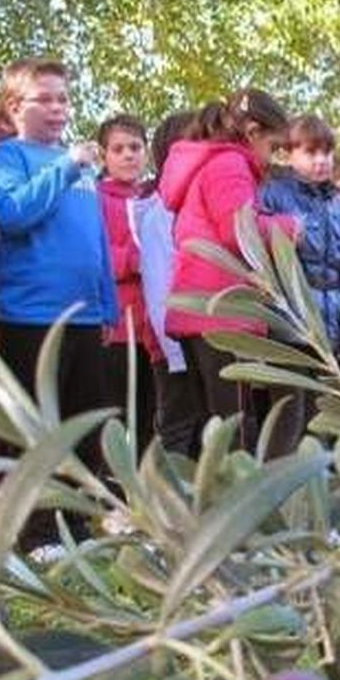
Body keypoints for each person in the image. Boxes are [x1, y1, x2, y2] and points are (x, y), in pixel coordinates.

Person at [0, 58, 116, 554]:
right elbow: (14, 214)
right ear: (16, 106)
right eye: (47, 98)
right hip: (31, 315)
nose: (59, 108)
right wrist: (66, 167)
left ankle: (75, 523)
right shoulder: (9, 158)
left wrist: (105, 303)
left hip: (85, 315)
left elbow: (95, 240)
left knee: (83, 423)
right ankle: (34, 529)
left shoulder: (79, 169)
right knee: (35, 427)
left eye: (64, 97)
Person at [162, 88, 296, 449]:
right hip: (221, 313)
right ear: (252, 132)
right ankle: (236, 502)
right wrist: (290, 228)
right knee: (233, 427)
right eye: (272, 146)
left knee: (214, 424)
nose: (272, 159)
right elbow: (239, 231)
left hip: (200, 311)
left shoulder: (209, 164)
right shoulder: (228, 164)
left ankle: (208, 501)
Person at [260, 114, 340, 450]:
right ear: (288, 154)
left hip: (332, 329)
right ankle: (284, 494)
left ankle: (326, 494)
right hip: (290, 327)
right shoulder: (273, 195)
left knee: (329, 419)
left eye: (327, 152)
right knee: (290, 419)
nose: (322, 160)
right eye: (311, 152)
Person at [134, 111, 200, 457]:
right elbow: (159, 289)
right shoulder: (161, 212)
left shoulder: (190, 205)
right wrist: (174, 352)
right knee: (177, 430)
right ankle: (165, 507)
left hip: (196, 342)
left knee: (200, 430)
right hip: (173, 345)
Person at [96, 114, 157, 455]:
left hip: (154, 329)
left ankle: (148, 495)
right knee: (113, 416)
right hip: (117, 326)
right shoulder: (96, 197)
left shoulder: (153, 198)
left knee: (151, 416)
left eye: (135, 147)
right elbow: (97, 254)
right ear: (104, 156)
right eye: (118, 149)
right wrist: (136, 259)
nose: (128, 155)